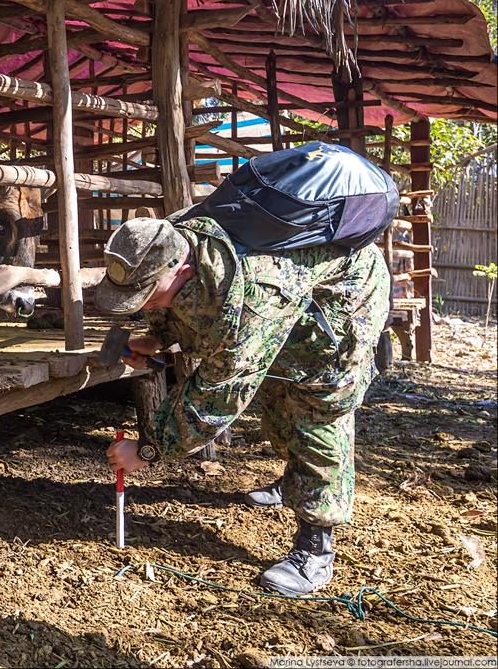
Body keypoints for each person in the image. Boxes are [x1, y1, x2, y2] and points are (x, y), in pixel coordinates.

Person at [93, 213, 389, 596]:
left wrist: (149, 448)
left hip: (345, 299)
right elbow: (193, 305)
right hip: (289, 293)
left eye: (147, 295)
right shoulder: (173, 241)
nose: (145, 304)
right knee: (276, 396)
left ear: (181, 268)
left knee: (318, 410)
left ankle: (315, 548)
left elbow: (219, 393)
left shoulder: (251, 296)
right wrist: (158, 341)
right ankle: (294, 479)